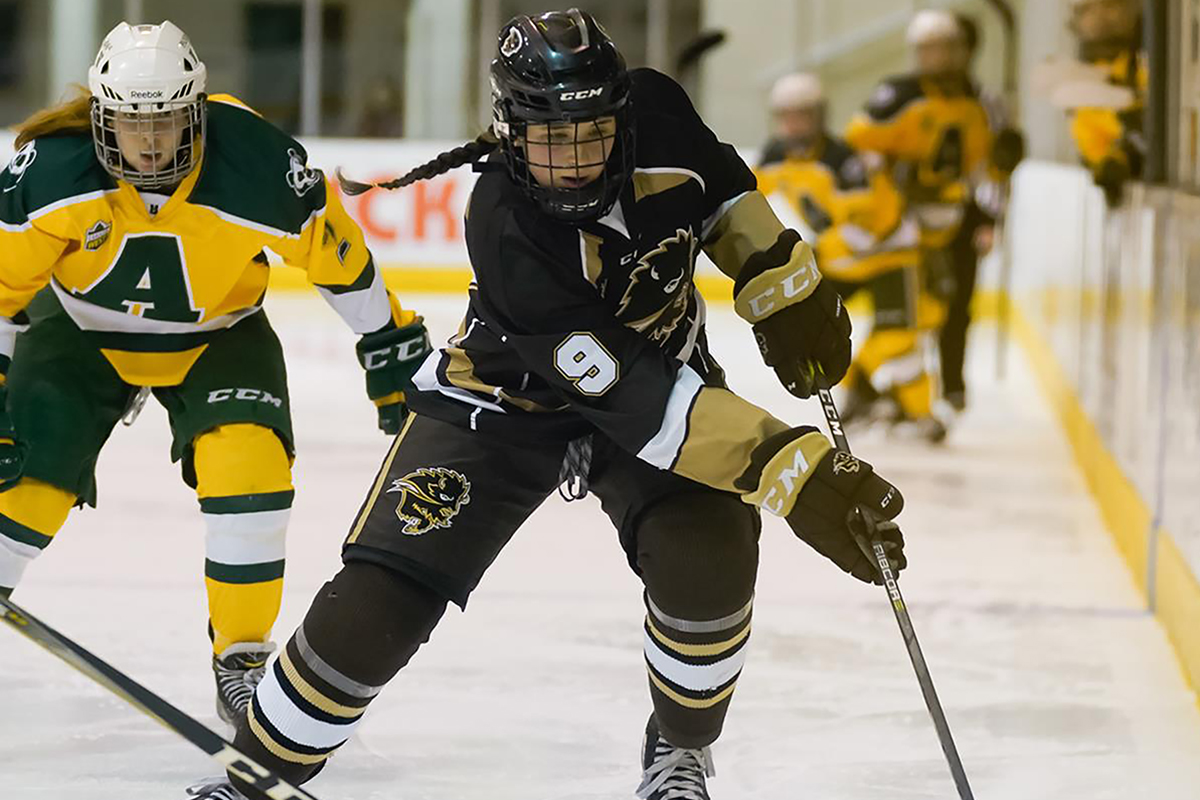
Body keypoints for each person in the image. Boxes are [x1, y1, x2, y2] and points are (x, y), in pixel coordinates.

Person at [186, 10, 908, 800]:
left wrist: (783, 286)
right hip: (503, 408)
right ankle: (257, 773)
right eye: (551, 138)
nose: (575, 160)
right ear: (511, 129)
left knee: (711, 562)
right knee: (379, 601)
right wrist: (791, 470)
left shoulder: (659, 111)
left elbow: (725, 197)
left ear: (622, 114)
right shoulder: (503, 222)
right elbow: (633, 397)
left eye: (594, 133)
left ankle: (679, 748)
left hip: (663, 376)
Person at [0, 21, 430, 725]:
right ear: (102, 118)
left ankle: (242, 659)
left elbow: (336, 254)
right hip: (78, 331)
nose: (148, 141)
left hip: (218, 334)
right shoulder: (48, 172)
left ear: (195, 112)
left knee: (252, 478)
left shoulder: (255, 159)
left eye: (166, 120)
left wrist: (388, 338)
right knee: (22, 488)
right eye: (131, 122)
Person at [757, 73, 936, 440]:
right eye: (787, 116)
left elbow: (866, 231)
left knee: (897, 339)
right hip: (841, 262)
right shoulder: (774, 157)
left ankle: (915, 412)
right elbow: (746, 196)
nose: (794, 125)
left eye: (803, 115)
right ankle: (863, 397)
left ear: (819, 116)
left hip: (889, 256)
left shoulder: (845, 161)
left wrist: (813, 251)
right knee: (821, 330)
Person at [844, 9, 993, 440]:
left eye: (945, 48)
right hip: (900, 230)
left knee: (931, 313)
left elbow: (978, 168)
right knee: (908, 316)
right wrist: (888, 194)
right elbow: (859, 149)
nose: (937, 58)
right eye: (928, 49)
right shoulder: (898, 95)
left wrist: (990, 198)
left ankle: (877, 391)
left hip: (945, 227)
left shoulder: (974, 102)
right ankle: (876, 391)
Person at [938, 12, 1026, 412]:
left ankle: (952, 384)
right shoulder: (911, 96)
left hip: (966, 214)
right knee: (916, 306)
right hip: (914, 213)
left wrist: (990, 220)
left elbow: (997, 169)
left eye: (952, 47)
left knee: (958, 306)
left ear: (968, 51)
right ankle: (902, 389)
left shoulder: (987, 103)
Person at [1067, 0, 1146, 208]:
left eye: (1110, 4)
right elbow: (1099, 152)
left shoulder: (1158, 32)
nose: (1102, 14)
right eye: (1083, 10)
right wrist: (1116, 164)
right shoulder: (1088, 90)